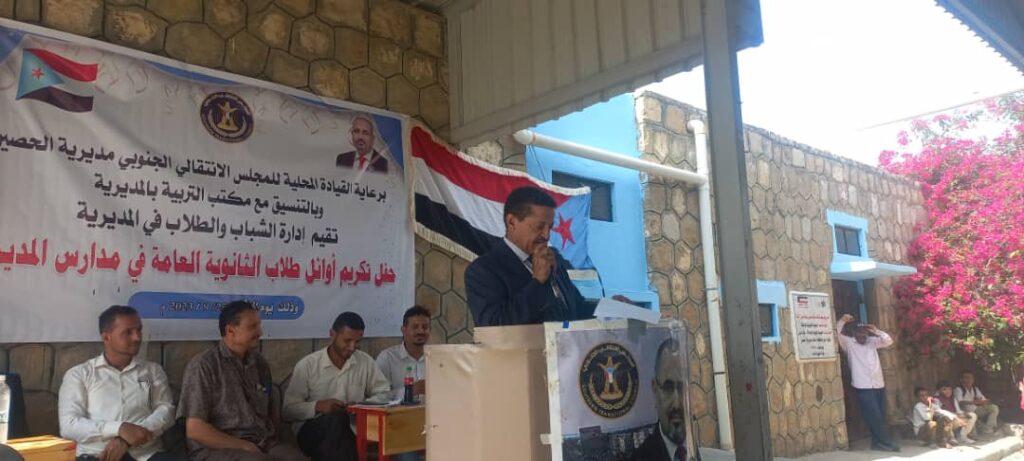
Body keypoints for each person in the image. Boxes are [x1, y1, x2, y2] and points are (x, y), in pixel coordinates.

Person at [177, 301, 307, 461]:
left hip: (263, 442)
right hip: (216, 449)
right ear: (230, 331)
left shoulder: (259, 363)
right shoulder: (204, 366)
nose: (260, 332)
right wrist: (244, 446)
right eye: (252, 327)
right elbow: (195, 430)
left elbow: (271, 416)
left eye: (259, 325)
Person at [58, 305, 181, 461]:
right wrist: (119, 429)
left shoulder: (152, 371)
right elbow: (69, 425)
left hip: (147, 454)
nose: (137, 337)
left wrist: (129, 438)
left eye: (139, 330)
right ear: (106, 337)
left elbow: (166, 411)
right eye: (128, 332)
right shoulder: (80, 375)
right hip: (98, 455)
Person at [465, 187, 598, 326]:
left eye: (550, 227)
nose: (546, 235)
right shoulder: (483, 271)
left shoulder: (553, 259)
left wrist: (609, 308)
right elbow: (494, 325)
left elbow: (576, 307)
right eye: (539, 227)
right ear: (512, 222)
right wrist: (538, 281)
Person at [282, 312, 390, 461]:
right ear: (332, 334)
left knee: (337, 438)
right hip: (311, 432)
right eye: (347, 340)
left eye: (357, 342)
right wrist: (318, 406)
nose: (352, 347)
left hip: (351, 431)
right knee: (336, 420)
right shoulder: (308, 365)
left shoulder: (365, 362)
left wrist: (361, 406)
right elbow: (288, 411)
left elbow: (384, 394)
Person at [835, 314, 899, 452]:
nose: (862, 335)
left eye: (864, 332)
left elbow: (888, 341)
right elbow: (836, 333)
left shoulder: (872, 341)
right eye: (859, 332)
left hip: (878, 384)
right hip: (863, 386)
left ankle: (876, 443)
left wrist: (876, 330)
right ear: (854, 333)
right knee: (874, 415)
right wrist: (843, 320)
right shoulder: (848, 343)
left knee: (880, 415)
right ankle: (885, 442)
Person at [631, 339, 688, 461]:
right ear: (655, 390)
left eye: (682, 387)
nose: (676, 404)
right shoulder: (640, 458)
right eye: (667, 388)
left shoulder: (705, 450)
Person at [375, 306, 430, 403]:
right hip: (399, 412)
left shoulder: (437, 358)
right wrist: (410, 391)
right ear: (403, 330)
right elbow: (379, 396)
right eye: (415, 327)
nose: (420, 331)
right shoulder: (388, 358)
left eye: (425, 327)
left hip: (434, 412)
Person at [955, 371, 999, 436]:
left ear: (973, 380)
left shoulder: (975, 389)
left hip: (977, 409)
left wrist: (984, 402)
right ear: (961, 379)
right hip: (965, 411)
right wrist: (975, 402)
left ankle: (988, 428)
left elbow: (983, 399)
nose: (969, 380)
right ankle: (987, 429)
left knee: (994, 407)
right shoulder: (958, 389)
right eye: (966, 378)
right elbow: (959, 402)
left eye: (971, 378)